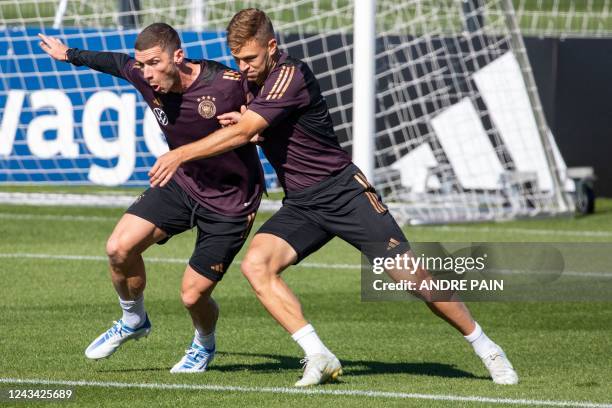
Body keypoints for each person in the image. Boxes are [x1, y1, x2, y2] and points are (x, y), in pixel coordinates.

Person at [147, 9, 519, 387]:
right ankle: (318, 354)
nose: (242, 67)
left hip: (342, 192)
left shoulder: (289, 75)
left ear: (271, 47)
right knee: (256, 266)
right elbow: (266, 130)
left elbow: (247, 132)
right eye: (237, 59)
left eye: (250, 58)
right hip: (303, 204)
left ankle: (486, 347)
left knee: (414, 277)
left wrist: (182, 152)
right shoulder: (252, 82)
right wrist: (251, 127)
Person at [38, 22, 264, 373]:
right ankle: (133, 319)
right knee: (118, 248)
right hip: (183, 182)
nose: (147, 73)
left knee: (192, 295)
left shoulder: (227, 84)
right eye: (143, 65)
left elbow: (273, 117)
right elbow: (115, 61)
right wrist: (69, 54)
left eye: (155, 63)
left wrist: (257, 133)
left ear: (177, 56)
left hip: (231, 200)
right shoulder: (143, 74)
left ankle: (203, 345)